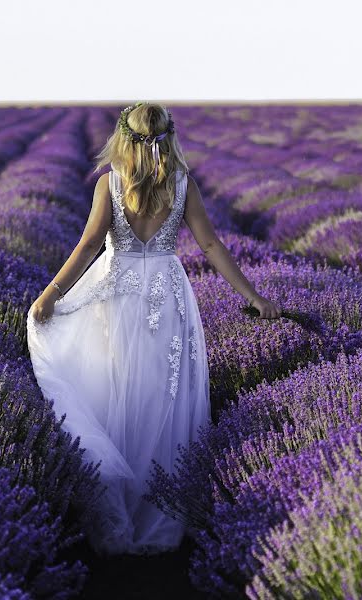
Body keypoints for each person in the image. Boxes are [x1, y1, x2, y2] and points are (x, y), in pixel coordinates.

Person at [26, 102, 282, 557]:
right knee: (164, 397)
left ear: (122, 138)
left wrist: (51, 293)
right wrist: (253, 297)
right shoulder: (182, 183)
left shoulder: (111, 182)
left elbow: (88, 245)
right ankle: (159, 513)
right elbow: (210, 244)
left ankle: (117, 506)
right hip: (167, 293)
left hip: (117, 293)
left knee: (117, 391)